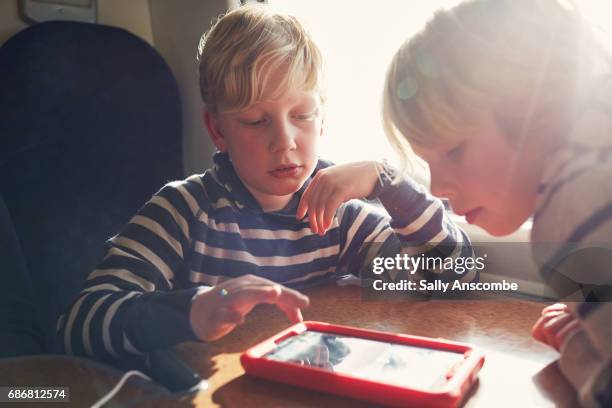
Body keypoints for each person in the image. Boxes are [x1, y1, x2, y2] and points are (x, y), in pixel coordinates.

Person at [57, 5, 475, 367]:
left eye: (302, 116)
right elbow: (79, 324)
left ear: (323, 118)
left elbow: (455, 280)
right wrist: (192, 310)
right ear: (217, 129)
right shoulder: (182, 212)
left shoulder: (338, 219)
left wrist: (388, 182)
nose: (285, 141)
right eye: (257, 121)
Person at [382, 0, 612, 406]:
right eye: (427, 163)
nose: (437, 187)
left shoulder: (572, 208)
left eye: (453, 151)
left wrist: (578, 346)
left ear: (534, 110)